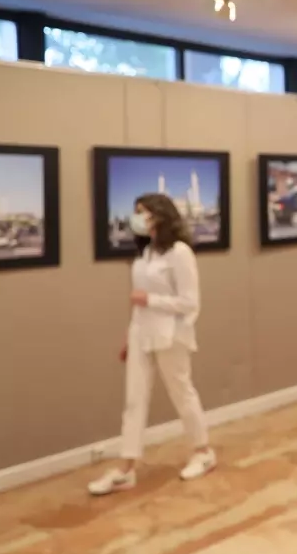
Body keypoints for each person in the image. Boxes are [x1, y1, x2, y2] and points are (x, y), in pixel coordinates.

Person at [88, 193, 215, 495]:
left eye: (141, 212)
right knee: (134, 400)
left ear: (159, 215)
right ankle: (126, 469)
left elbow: (189, 302)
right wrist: (128, 337)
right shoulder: (145, 254)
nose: (136, 218)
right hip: (141, 334)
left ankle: (203, 452)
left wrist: (151, 299)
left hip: (171, 334)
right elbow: (138, 304)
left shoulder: (180, 253)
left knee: (182, 392)